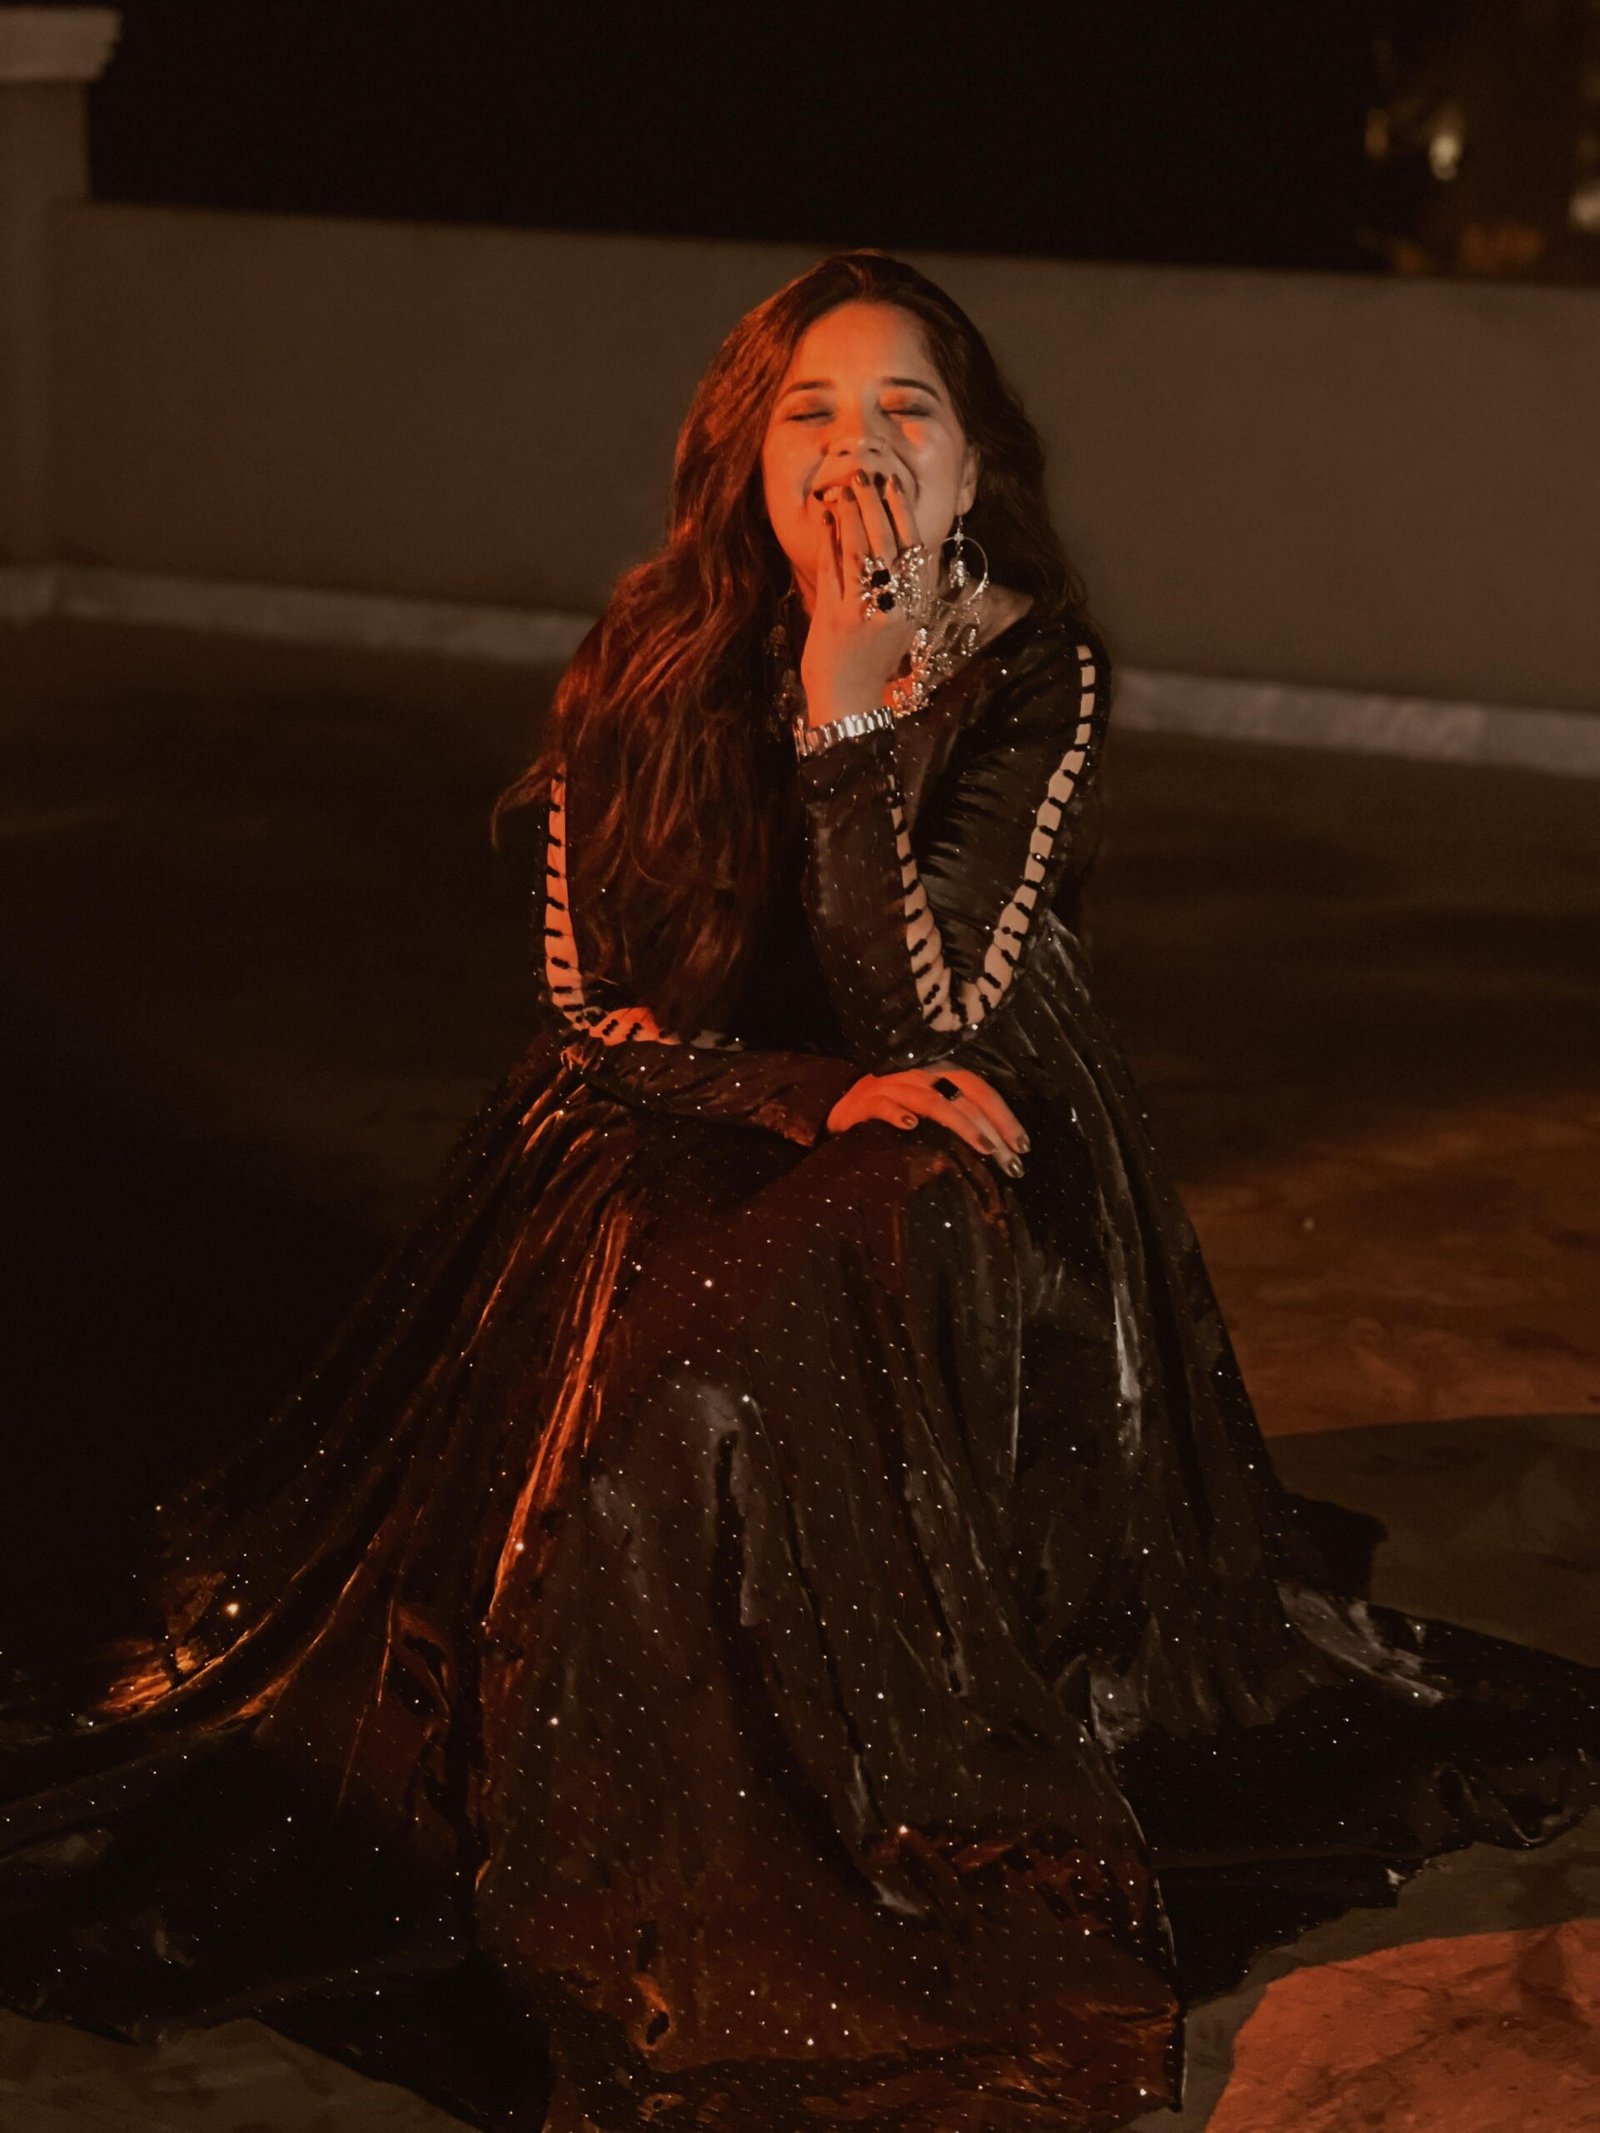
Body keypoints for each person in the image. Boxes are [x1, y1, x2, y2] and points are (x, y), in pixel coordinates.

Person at [1, 250, 1595, 2133]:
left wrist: (851, 717)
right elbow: (591, 1017)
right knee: (627, 1382)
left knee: (892, 1212)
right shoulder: (652, 645)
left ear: (976, 463)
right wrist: (790, 1087)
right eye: (811, 412)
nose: (859, 449)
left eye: (908, 408)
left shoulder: (1035, 665)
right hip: (716, 1093)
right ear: (744, 460)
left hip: (964, 1105)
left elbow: (930, 1021)